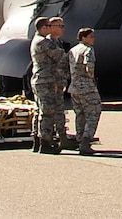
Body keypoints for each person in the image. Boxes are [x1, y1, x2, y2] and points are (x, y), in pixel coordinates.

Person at [28, 16, 70, 154]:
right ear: (43, 28)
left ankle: (38, 141)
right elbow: (60, 56)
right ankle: (45, 144)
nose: (50, 28)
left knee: (40, 111)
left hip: (43, 80)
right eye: (48, 26)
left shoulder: (39, 40)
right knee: (47, 112)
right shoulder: (43, 42)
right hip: (46, 81)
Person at [68, 27, 102, 154]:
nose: (93, 39)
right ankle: (86, 140)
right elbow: (89, 65)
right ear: (83, 38)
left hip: (75, 87)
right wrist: (91, 76)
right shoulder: (88, 50)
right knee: (94, 113)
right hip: (87, 86)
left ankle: (80, 138)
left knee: (80, 114)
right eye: (91, 37)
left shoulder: (73, 49)